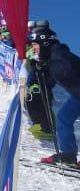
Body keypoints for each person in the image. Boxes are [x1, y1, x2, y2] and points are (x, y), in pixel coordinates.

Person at [30, 27, 80, 165]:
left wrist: (46, 66)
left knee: (64, 118)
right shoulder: (52, 57)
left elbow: (63, 70)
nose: (33, 48)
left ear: (45, 43)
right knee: (63, 118)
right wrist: (40, 69)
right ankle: (68, 155)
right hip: (78, 95)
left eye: (35, 45)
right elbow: (50, 81)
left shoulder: (59, 54)